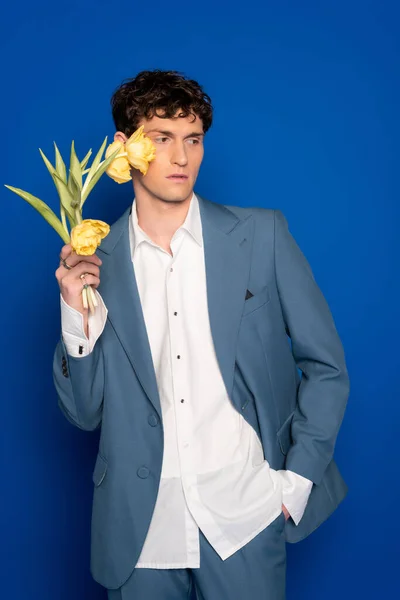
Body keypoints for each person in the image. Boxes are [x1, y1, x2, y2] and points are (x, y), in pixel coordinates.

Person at [53, 69, 350, 600]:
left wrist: (295, 483)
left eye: (193, 139)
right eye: (161, 139)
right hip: (139, 531)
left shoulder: (262, 235)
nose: (182, 157)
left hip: (245, 514)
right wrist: (76, 317)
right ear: (125, 148)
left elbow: (326, 366)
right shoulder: (99, 263)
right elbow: (85, 413)